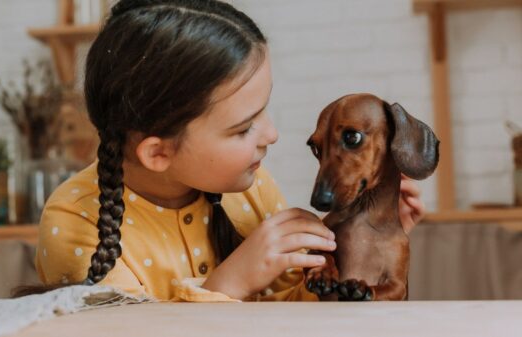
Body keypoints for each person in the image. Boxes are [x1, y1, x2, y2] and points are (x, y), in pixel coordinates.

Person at [35, 0, 425, 302]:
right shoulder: (75, 220)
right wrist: (231, 282)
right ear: (158, 153)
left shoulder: (254, 190)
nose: (271, 134)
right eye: (243, 128)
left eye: (264, 110)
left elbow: (300, 312)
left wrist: (366, 251)